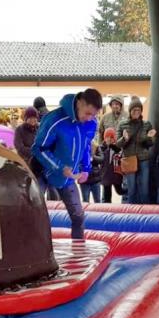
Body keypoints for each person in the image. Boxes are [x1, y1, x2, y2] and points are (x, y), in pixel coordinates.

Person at [32, 89, 103, 239]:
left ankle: (78, 252)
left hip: (67, 176)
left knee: (78, 216)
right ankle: (34, 251)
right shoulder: (55, 119)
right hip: (44, 172)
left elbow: (85, 146)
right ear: (79, 103)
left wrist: (86, 169)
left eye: (94, 115)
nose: (89, 118)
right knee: (34, 213)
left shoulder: (90, 124)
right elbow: (38, 148)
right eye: (87, 113)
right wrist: (58, 166)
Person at [117, 97, 155, 204]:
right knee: (131, 189)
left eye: (139, 110)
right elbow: (118, 144)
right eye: (134, 110)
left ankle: (144, 214)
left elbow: (150, 144)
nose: (136, 112)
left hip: (143, 159)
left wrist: (149, 137)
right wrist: (124, 138)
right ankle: (131, 212)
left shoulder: (146, 124)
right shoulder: (122, 124)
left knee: (144, 189)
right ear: (130, 111)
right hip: (129, 159)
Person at [99, 128, 125, 203]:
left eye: (111, 137)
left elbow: (120, 153)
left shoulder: (116, 147)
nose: (109, 139)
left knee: (119, 191)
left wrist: (113, 146)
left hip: (116, 174)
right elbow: (100, 158)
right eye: (107, 137)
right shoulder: (102, 147)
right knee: (107, 193)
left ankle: (129, 194)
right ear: (104, 138)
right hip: (106, 174)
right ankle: (107, 207)